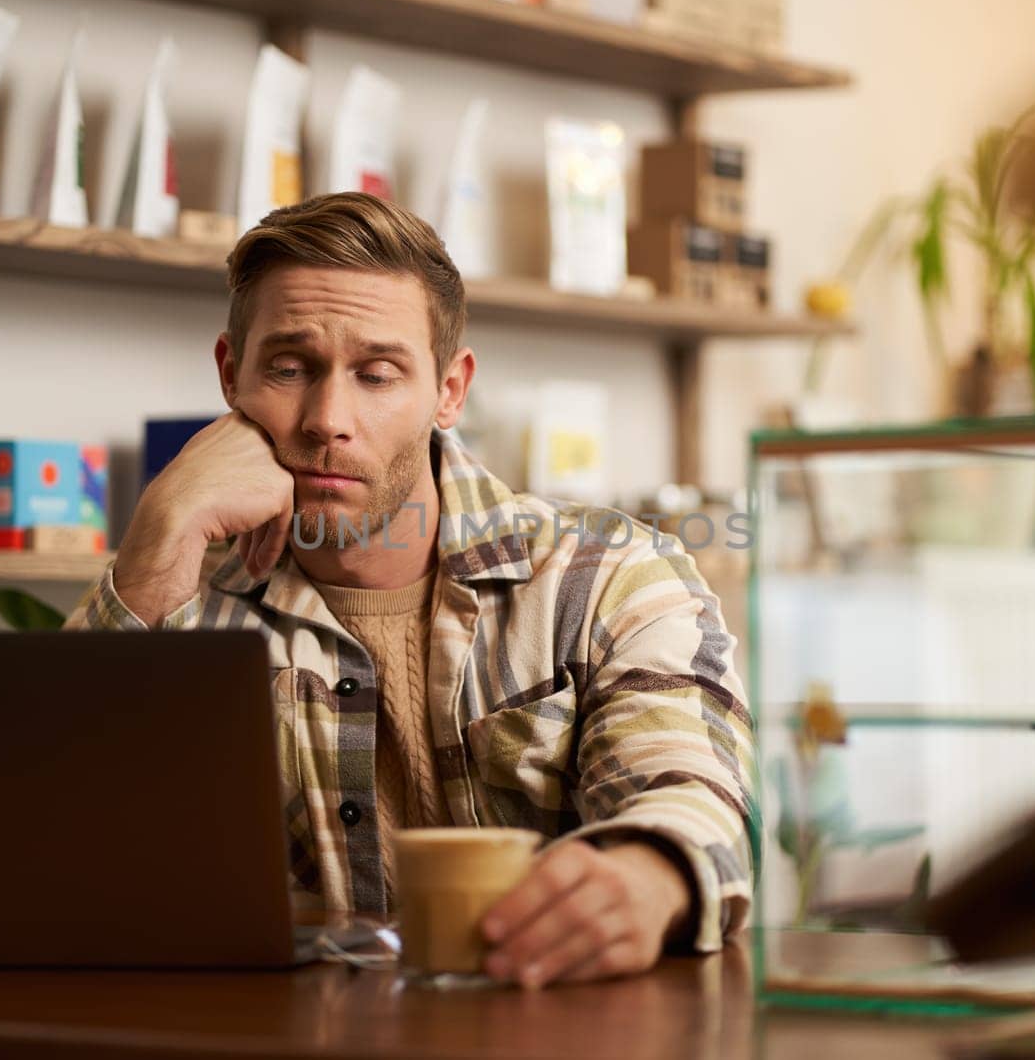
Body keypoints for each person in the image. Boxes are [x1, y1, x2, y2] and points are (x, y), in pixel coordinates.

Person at [69, 191, 754, 987]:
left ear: (449, 391)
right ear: (231, 375)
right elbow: (38, 845)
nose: (328, 417)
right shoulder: (179, 597)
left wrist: (646, 876)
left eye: (378, 374)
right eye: (289, 369)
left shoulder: (604, 576)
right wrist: (160, 528)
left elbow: (690, 790)